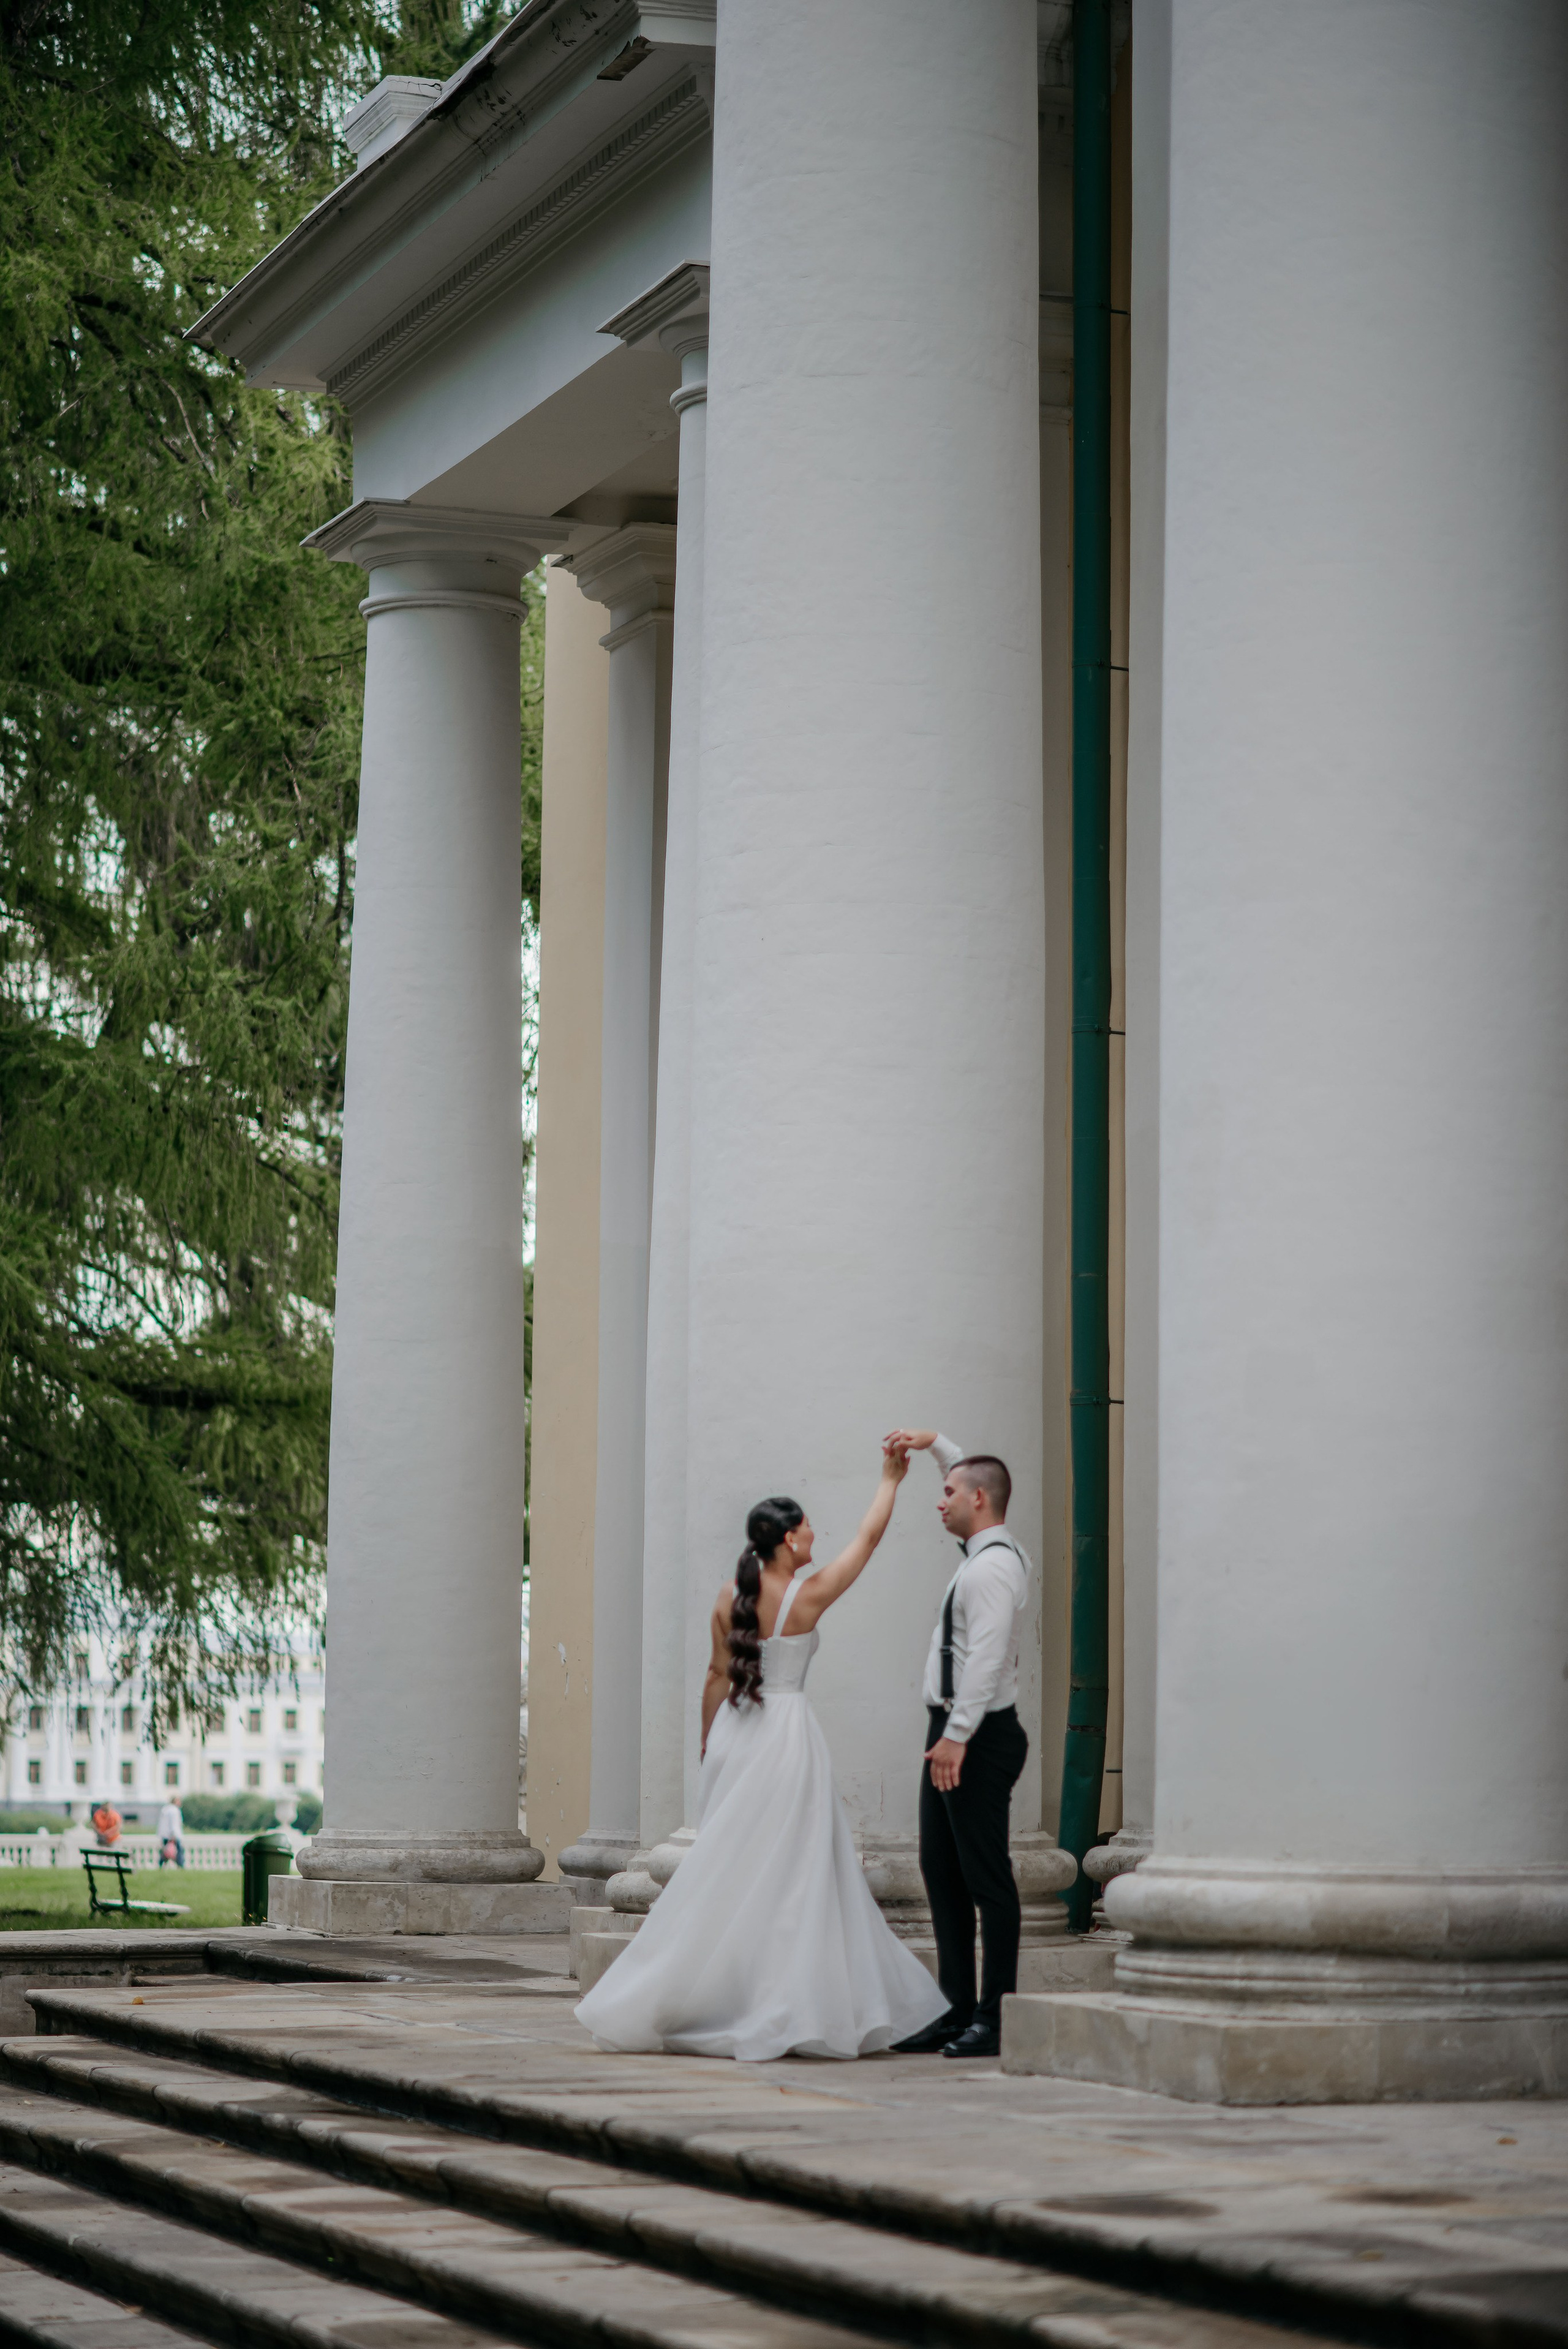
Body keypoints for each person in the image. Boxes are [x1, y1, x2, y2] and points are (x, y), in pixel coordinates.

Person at [575, 1443, 948, 2061]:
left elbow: (714, 1676)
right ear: (789, 1540)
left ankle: (707, 1992)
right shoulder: (808, 1594)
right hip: (788, 1736)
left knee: (732, 1863)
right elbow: (869, 1538)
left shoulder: (730, 1595)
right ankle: (779, 2002)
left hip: (736, 1731)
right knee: (796, 1872)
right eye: (808, 1526)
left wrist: (709, 1742)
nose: (815, 1534)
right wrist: (890, 1479)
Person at [884, 1430, 1030, 2058]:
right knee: (941, 1872)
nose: (939, 1502)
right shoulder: (984, 1551)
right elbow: (975, 1473)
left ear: (978, 1500)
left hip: (976, 1736)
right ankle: (955, 2012)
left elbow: (987, 1661)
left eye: (948, 1493)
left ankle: (993, 2020)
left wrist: (957, 1736)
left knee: (986, 1879)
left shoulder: (993, 1567)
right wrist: (936, 1445)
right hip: (949, 1731)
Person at [156, 1793, 186, 1869]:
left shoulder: (165, 1809)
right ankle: (181, 1865)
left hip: (165, 1835)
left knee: (165, 1851)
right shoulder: (175, 1811)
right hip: (172, 1835)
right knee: (179, 1852)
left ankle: (161, 1865)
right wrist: (174, 1835)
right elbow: (174, 1824)